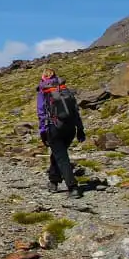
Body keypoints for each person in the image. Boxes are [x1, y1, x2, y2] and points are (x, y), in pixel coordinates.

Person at [36, 68, 86, 198]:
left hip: (54, 127)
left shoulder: (44, 91)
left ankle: (73, 187)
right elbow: (75, 110)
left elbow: (41, 113)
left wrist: (43, 132)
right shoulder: (64, 89)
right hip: (70, 128)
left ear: (43, 78)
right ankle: (53, 182)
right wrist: (80, 129)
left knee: (61, 157)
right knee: (58, 154)